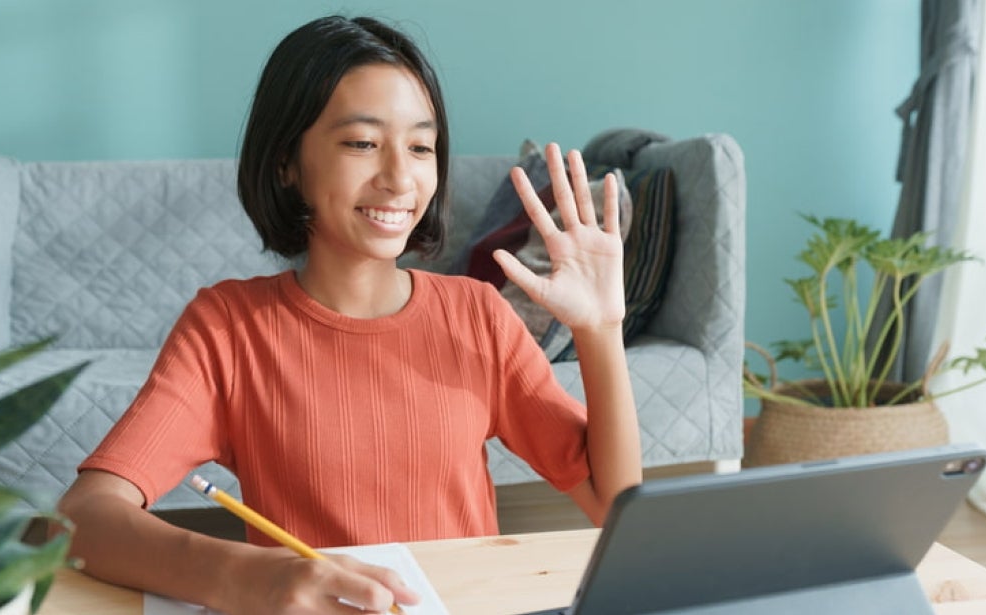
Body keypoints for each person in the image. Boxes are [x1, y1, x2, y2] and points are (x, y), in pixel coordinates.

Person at [57, 14, 642, 615]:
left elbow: (617, 508)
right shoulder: (228, 329)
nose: (397, 178)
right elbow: (80, 519)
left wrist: (600, 330)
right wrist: (250, 577)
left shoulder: (476, 314)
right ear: (287, 161)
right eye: (362, 143)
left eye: (420, 147)